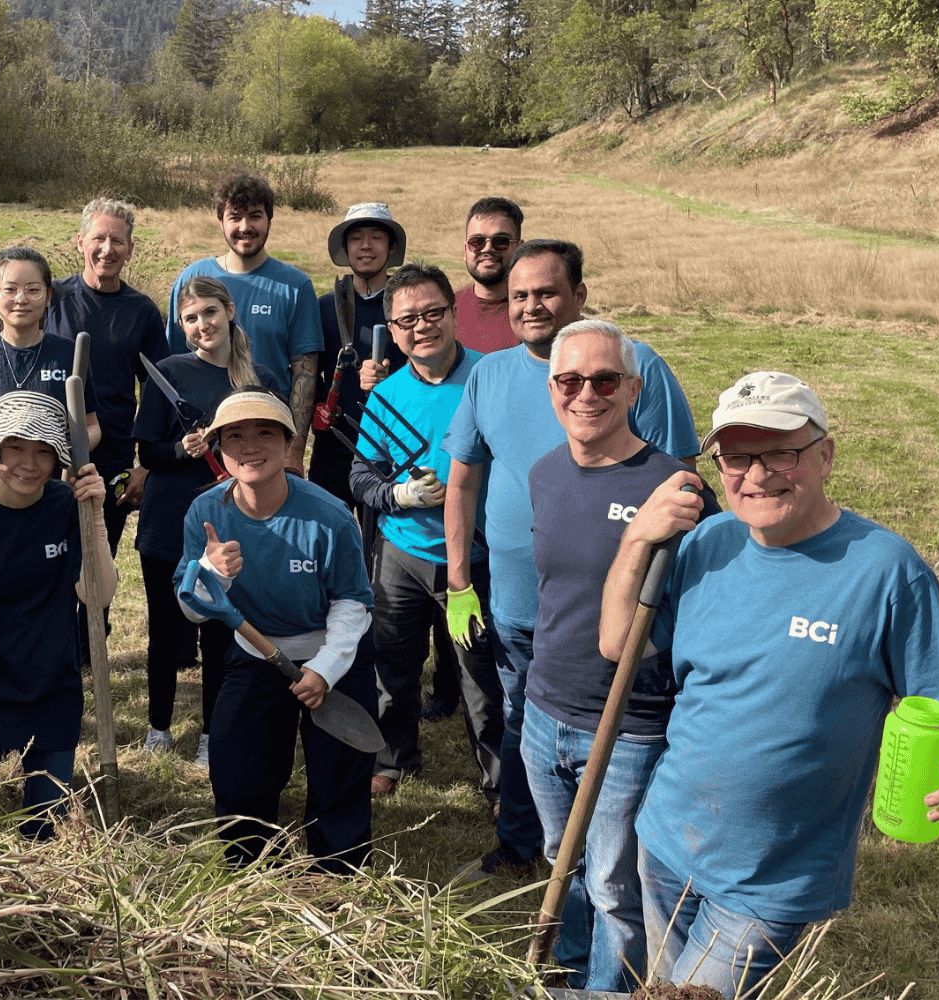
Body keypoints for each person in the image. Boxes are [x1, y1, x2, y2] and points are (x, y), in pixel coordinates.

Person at [600, 372, 939, 998]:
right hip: (668, 839)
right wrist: (636, 538)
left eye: (780, 451)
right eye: (736, 457)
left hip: (771, 879)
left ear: (825, 454)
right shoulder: (706, 543)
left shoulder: (885, 570)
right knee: (662, 988)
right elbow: (620, 644)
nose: (757, 475)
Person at [443, 239, 700, 879]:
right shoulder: (490, 375)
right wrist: (458, 582)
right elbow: (463, 481)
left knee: (605, 753)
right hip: (517, 601)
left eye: (547, 293)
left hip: (610, 617)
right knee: (520, 724)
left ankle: (606, 879)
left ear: (578, 295)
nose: (532, 306)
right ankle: (519, 844)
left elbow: (680, 489)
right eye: (520, 296)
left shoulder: (635, 368)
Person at [522, 320, 720, 991]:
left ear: (634, 388)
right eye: (569, 380)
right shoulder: (545, 473)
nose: (586, 394)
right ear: (550, 387)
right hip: (543, 709)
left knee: (612, 882)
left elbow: (700, 615)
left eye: (604, 380)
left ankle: (610, 986)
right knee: (559, 861)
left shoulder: (676, 490)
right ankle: (566, 971)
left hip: (629, 723)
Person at [179, 388, 377, 873]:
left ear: (290, 443)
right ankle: (250, 865)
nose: (250, 446)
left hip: (333, 651)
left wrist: (325, 671)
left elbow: (353, 603)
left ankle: (337, 870)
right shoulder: (206, 513)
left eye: (265, 432)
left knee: (339, 771)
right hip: (255, 651)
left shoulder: (328, 516)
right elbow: (194, 611)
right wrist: (213, 572)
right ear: (218, 447)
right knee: (237, 765)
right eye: (235, 436)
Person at [348, 263, 504, 806]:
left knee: (479, 671)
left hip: (477, 556)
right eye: (407, 319)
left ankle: (498, 777)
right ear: (391, 330)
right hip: (402, 552)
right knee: (393, 662)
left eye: (433, 313)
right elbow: (362, 475)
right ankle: (393, 756)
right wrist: (398, 495)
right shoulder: (386, 396)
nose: (422, 327)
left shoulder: (491, 376)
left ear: (454, 313)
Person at [0, 392, 114, 838]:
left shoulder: (65, 506)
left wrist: (95, 519)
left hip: (52, 687)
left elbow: (97, 594)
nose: (29, 464)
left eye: (43, 451)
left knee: (48, 833)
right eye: (16, 448)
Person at [134, 276, 278, 765]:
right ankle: (159, 727)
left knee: (222, 627)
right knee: (166, 630)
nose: (202, 325)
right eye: (191, 318)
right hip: (167, 519)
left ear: (230, 310)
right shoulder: (169, 372)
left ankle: (212, 736)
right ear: (182, 324)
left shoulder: (258, 380)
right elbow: (148, 450)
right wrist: (181, 448)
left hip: (232, 519)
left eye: (210, 313)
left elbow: (271, 451)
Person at [164, 169, 325, 476]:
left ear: (269, 219)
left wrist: (294, 451)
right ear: (221, 221)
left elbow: (305, 374)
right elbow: (169, 368)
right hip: (201, 443)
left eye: (255, 216)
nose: (245, 227)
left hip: (267, 438)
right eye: (234, 217)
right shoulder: (192, 279)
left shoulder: (295, 286)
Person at [42, 198, 169, 552]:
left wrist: (146, 466)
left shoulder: (142, 311)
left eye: (117, 241)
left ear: (130, 249)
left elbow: (157, 393)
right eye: (98, 238)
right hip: (47, 456)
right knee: (47, 559)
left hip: (112, 458)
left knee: (99, 561)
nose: (107, 250)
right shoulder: (51, 298)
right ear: (80, 241)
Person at [0, 246, 99, 464]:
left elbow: (92, 426)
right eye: (9, 290)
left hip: (56, 487)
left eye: (33, 290)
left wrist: (63, 446)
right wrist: (9, 435)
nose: (21, 299)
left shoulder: (70, 354)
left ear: (48, 296)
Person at [311, 202, 406, 508]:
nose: (366, 246)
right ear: (345, 246)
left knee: (382, 545)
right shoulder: (324, 307)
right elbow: (308, 373)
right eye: (356, 238)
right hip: (332, 447)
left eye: (376, 237)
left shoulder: (408, 306)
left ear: (391, 247)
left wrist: (390, 380)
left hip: (391, 449)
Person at [454, 197, 524, 354]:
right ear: (465, 250)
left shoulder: (535, 312)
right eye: (477, 242)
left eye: (501, 241)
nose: (487, 249)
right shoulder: (444, 310)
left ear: (520, 248)